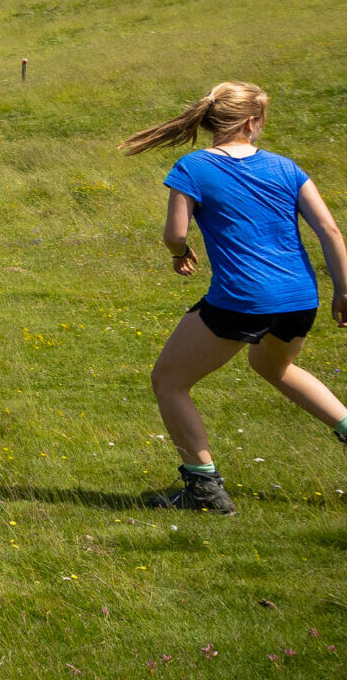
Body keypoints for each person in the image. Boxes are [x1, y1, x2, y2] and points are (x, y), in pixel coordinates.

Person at [120, 82, 347, 514]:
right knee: (274, 366)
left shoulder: (192, 167)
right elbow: (330, 230)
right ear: (250, 122)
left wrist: (180, 254)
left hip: (242, 299)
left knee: (168, 381)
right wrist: (345, 288)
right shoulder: (286, 167)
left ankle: (203, 488)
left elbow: (175, 233)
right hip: (300, 297)